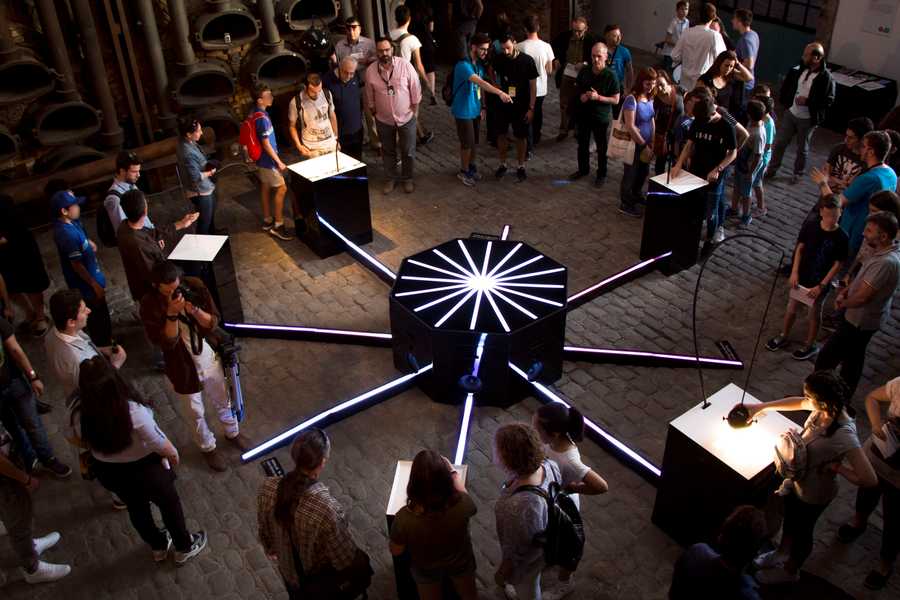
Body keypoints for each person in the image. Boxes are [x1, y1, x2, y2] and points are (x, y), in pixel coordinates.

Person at [741, 371, 877, 585]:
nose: (806, 399)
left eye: (809, 396)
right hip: (798, 483)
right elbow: (800, 403)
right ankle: (781, 553)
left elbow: (869, 479)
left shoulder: (844, 434)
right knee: (791, 522)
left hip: (814, 493)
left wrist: (837, 467)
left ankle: (790, 570)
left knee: (803, 531)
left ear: (822, 400)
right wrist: (762, 407)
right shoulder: (823, 408)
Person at [73, 356, 207, 564]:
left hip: (110, 472)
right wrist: (172, 458)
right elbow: (162, 445)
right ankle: (184, 546)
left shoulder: (78, 412)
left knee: (137, 509)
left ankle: (158, 545)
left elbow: (76, 439)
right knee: (169, 505)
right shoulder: (132, 411)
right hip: (146, 471)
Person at [141, 261, 250, 472]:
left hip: (208, 356)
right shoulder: (150, 304)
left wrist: (195, 311)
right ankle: (207, 447)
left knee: (223, 398)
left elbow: (213, 321)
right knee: (194, 411)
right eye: (169, 289)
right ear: (157, 285)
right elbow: (166, 342)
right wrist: (172, 313)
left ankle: (232, 432)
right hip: (180, 366)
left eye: (176, 286)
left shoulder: (194, 286)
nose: (174, 292)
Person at [257, 429, 371, 599]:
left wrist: (273, 549)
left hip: (289, 575)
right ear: (322, 462)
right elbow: (343, 559)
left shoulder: (267, 487)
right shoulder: (327, 509)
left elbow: (264, 531)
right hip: (318, 583)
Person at [814, 212, 900, 396]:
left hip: (859, 321)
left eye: (869, 230)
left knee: (830, 358)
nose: (864, 233)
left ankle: (821, 395)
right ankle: (838, 397)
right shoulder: (880, 252)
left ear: (883, 236)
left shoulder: (885, 263)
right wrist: (847, 289)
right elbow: (863, 278)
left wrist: (843, 302)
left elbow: (863, 297)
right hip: (857, 318)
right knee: (852, 359)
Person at [532, 403, 608, 597]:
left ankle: (565, 583)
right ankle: (550, 557)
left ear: (554, 433)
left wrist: (573, 487)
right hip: (552, 498)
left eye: (537, 429)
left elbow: (601, 486)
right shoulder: (554, 443)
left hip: (563, 507)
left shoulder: (569, 460)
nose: (534, 431)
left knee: (567, 547)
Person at [765, 195, 848, 360]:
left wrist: (822, 285)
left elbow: (838, 264)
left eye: (836, 215)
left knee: (814, 314)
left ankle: (809, 345)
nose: (832, 219)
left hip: (820, 281)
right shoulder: (811, 227)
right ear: (822, 213)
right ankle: (783, 335)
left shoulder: (842, 237)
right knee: (791, 307)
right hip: (803, 276)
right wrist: (794, 271)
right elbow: (800, 248)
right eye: (829, 215)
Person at [836, 375, 900, 590]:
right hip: (878, 456)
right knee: (866, 492)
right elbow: (872, 397)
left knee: (894, 519)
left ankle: (885, 563)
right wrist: (875, 424)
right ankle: (858, 522)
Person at [389, 449, 478, 600]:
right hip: (461, 563)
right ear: (445, 481)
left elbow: (396, 550)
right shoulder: (463, 505)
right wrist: (452, 472)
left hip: (426, 569)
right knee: (469, 596)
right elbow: (467, 499)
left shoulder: (404, 518)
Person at [493, 422, 563, 600]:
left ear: (509, 458)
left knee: (527, 586)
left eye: (498, 449)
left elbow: (517, 548)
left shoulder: (518, 506)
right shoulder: (549, 465)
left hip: (531, 558)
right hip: (547, 540)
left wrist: (503, 573)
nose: (495, 452)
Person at [0, 315, 71, 477]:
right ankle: (29, 458)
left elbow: (15, 349)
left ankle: (48, 459)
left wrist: (33, 376)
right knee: (12, 426)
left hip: (13, 382)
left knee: (32, 423)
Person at [811, 130, 898, 258]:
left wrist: (823, 183)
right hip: (869, 234)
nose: (860, 149)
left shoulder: (869, 178)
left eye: (863, 146)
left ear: (871, 151)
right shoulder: (891, 174)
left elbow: (837, 203)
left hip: (853, 232)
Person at [0, 433, 70, 583]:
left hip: (8, 468)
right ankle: (32, 568)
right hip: (5, 480)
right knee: (19, 522)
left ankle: (29, 546)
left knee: (13, 517)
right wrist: (25, 479)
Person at [671, 91, 737, 244]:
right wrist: (679, 164)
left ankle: (711, 236)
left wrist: (718, 169)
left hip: (714, 175)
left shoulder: (726, 126)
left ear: (713, 113)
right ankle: (692, 234)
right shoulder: (698, 121)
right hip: (696, 170)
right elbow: (689, 144)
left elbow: (733, 153)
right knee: (694, 205)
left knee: (711, 210)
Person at [765, 43, 835, 185]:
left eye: (807, 55)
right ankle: (772, 169)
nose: (803, 57)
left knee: (802, 148)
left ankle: (798, 173)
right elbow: (787, 87)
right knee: (780, 143)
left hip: (808, 118)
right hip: (791, 113)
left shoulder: (825, 77)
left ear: (816, 58)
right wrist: (787, 102)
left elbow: (828, 100)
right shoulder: (798, 70)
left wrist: (808, 101)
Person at [51, 190, 112, 348]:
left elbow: (82, 239)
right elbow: (77, 265)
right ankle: (104, 347)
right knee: (98, 320)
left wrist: (88, 242)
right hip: (87, 287)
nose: (78, 207)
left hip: (93, 279)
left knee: (102, 316)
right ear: (64, 211)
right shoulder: (66, 234)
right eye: (74, 205)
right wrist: (94, 285)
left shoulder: (72, 223)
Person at [117, 189, 198, 305]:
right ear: (145, 211)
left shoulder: (125, 225)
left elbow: (153, 233)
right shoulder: (137, 244)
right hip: (154, 292)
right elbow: (153, 275)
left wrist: (181, 223)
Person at [451, 32, 512, 187]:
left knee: (474, 142)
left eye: (487, 49)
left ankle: (471, 167)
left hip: (475, 109)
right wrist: (500, 93)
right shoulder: (463, 65)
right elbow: (481, 83)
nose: (486, 52)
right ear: (473, 47)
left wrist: (483, 106)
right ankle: (463, 171)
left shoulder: (478, 65)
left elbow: (481, 88)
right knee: (467, 143)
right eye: (483, 49)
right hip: (463, 110)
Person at [669, 505, 766, 600]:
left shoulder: (696, 551)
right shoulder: (748, 594)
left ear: (721, 537)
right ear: (754, 555)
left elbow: (673, 593)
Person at [45, 289, 127, 399]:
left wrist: (100, 349)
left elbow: (85, 344)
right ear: (71, 322)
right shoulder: (77, 361)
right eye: (83, 310)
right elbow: (96, 388)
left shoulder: (56, 331)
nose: (89, 311)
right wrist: (116, 364)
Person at [366, 36, 422, 194]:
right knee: (388, 150)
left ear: (392, 50)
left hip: (406, 118)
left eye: (387, 50)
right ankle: (391, 178)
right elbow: (369, 96)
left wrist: (414, 113)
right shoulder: (371, 71)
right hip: (384, 119)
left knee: (408, 150)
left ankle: (408, 178)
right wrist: (374, 111)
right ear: (376, 52)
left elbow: (415, 90)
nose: (384, 53)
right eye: (380, 51)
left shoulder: (405, 66)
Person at [570, 42, 620, 186]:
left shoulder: (610, 75)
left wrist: (598, 97)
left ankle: (602, 174)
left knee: (601, 146)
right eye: (593, 56)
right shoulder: (585, 71)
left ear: (605, 57)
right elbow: (577, 88)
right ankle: (583, 169)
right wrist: (581, 96)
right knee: (582, 144)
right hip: (584, 115)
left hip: (601, 117)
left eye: (599, 56)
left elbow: (616, 100)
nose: (596, 59)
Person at [0, 194, 50, 337]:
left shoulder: (4, 203)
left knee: (32, 284)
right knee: (11, 288)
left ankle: (40, 316)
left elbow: (14, 230)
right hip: (3, 256)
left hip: (21, 249)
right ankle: (29, 313)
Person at [492, 34, 538, 183]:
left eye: (508, 48)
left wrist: (531, 108)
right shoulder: (499, 58)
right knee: (501, 134)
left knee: (521, 136)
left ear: (515, 43)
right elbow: (491, 71)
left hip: (521, 104)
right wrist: (496, 86)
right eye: (503, 48)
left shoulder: (527, 61)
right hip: (503, 103)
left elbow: (533, 86)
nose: (505, 51)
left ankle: (521, 165)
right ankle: (502, 163)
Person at [250, 83, 294, 241]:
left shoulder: (255, 113)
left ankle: (267, 219)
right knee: (281, 188)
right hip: (268, 161)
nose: (272, 98)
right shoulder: (262, 119)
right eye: (268, 96)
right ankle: (278, 225)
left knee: (265, 186)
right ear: (260, 100)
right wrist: (279, 162)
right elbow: (266, 143)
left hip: (262, 161)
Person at [334, 16, 379, 151]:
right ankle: (361, 139)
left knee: (370, 116)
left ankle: (376, 143)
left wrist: (369, 60)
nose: (351, 31)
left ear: (360, 29)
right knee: (354, 115)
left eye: (354, 28)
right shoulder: (340, 46)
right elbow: (337, 65)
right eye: (348, 28)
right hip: (349, 86)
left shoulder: (369, 43)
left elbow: (377, 58)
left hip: (365, 84)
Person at [391, 4, 433, 146]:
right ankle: (409, 139)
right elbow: (419, 65)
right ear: (409, 19)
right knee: (413, 109)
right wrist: (427, 82)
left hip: (389, 76)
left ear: (396, 19)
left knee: (398, 107)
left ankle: (421, 135)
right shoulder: (412, 39)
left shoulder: (387, 35)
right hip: (406, 78)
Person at [618, 67, 657, 217]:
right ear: (641, 82)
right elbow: (630, 125)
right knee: (631, 173)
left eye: (653, 83)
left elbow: (652, 119)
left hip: (647, 145)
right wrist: (643, 145)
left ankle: (636, 194)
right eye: (648, 83)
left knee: (643, 172)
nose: (651, 86)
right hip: (635, 145)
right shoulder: (631, 99)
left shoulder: (649, 98)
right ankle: (626, 202)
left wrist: (652, 141)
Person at [551, 17, 595, 142]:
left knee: (580, 102)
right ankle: (564, 129)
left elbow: (596, 58)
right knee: (564, 103)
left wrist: (585, 64)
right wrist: (556, 59)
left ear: (586, 29)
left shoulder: (592, 40)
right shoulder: (564, 36)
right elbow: (553, 48)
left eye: (579, 31)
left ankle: (577, 128)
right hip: (567, 73)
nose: (576, 34)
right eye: (574, 30)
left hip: (583, 75)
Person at [518, 15, 555, 155]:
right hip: (541, 88)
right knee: (538, 112)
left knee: (526, 114)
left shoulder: (519, 46)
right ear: (538, 28)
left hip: (525, 88)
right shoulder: (546, 46)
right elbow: (550, 70)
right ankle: (537, 136)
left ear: (524, 29)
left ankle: (529, 142)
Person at [671, 2, 727, 92]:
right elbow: (723, 59)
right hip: (702, 85)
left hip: (684, 82)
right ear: (713, 18)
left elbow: (674, 56)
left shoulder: (687, 32)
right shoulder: (714, 36)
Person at [176, 118, 218, 235]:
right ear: (189, 134)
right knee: (204, 223)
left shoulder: (185, 141)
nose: (201, 133)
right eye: (198, 131)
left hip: (205, 187)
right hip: (200, 192)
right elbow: (195, 176)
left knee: (210, 216)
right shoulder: (187, 152)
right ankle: (204, 248)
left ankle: (214, 237)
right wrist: (210, 172)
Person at [730, 99, 767, 228]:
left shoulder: (758, 134)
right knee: (736, 187)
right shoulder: (753, 124)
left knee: (746, 193)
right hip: (742, 164)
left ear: (750, 115)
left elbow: (758, 156)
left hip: (748, 167)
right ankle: (734, 209)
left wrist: (751, 173)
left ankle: (746, 215)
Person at [289, 73, 339, 160]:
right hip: (312, 148)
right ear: (305, 88)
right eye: (313, 92)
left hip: (330, 143)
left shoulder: (327, 94)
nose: (317, 94)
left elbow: (332, 116)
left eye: (319, 91)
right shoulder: (296, 102)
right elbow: (292, 126)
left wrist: (336, 138)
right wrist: (299, 145)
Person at [106, 150, 156, 236]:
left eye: (138, 171)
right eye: (134, 172)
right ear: (122, 171)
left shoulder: (131, 185)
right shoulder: (114, 199)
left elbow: (142, 217)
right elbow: (124, 233)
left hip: (148, 237)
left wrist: (154, 233)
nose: (139, 175)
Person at [323, 58, 365, 160]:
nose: (349, 76)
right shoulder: (327, 81)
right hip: (339, 133)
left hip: (357, 130)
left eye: (352, 73)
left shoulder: (356, 76)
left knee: (357, 160)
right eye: (346, 72)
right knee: (343, 162)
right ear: (339, 68)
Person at [823, 117, 873, 195]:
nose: (846, 140)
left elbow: (856, 188)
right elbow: (825, 174)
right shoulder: (839, 149)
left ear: (863, 139)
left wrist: (833, 181)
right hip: (827, 195)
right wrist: (839, 182)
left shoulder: (867, 161)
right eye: (846, 135)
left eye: (851, 138)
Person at [698, 50, 753, 118]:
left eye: (731, 66)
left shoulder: (731, 75)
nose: (728, 69)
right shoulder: (706, 79)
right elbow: (698, 97)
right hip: (711, 116)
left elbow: (749, 78)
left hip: (727, 116)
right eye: (726, 65)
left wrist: (738, 64)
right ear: (719, 63)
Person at [749, 86, 775, 218]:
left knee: (757, 183)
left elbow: (768, 144)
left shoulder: (768, 123)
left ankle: (761, 206)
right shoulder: (762, 120)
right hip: (757, 156)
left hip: (762, 159)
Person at [652, 70, 684, 175]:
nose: (660, 89)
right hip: (663, 135)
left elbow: (689, 104)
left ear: (668, 82)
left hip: (679, 134)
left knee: (677, 162)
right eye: (657, 86)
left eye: (662, 84)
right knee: (660, 163)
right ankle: (657, 186)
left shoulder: (679, 90)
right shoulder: (655, 98)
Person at [409, 3, 438, 104]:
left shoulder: (409, 7)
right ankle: (432, 94)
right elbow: (431, 28)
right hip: (427, 42)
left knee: (416, 67)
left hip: (414, 41)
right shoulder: (428, 8)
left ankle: (417, 95)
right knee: (430, 69)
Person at [603, 24, 633, 118]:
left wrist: (628, 89)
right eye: (615, 36)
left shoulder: (624, 51)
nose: (619, 38)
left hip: (617, 87)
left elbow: (629, 71)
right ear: (606, 36)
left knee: (617, 115)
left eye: (620, 35)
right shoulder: (600, 49)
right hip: (601, 85)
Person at [732, 8, 759, 94]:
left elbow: (749, 64)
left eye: (734, 18)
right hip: (747, 84)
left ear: (739, 22)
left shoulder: (745, 40)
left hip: (743, 85)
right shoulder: (754, 34)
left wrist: (733, 67)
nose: (732, 20)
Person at [659, 1, 690, 74]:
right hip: (670, 53)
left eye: (686, 9)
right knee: (666, 74)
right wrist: (679, 45)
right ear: (677, 10)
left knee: (675, 73)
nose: (684, 11)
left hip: (679, 54)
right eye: (682, 9)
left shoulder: (687, 21)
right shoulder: (674, 22)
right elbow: (667, 39)